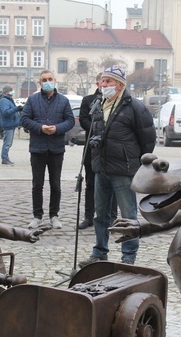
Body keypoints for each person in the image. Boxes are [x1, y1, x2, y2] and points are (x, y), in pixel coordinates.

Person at [78, 65, 156, 266]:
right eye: (103, 81)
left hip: (124, 170)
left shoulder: (135, 107)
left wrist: (139, 163)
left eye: (108, 81)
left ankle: (128, 258)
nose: (104, 85)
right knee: (100, 214)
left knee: (128, 215)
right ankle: (100, 251)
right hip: (101, 168)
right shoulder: (98, 104)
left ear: (120, 85)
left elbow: (148, 138)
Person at [21, 70, 75, 230]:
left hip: (56, 148)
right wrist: (40, 128)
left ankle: (54, 215)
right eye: (44, 80)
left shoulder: (63, 101)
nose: (47, 82)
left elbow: (70, 120)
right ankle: (37, 216)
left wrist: (57, 128)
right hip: (37, 148)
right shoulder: (32, 100)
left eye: (50, 79)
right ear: (40, 83)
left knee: (55, 184)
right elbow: (24, 119)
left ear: (55, 81)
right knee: (37, 184)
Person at [78, 73, 103, 229]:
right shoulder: (88, 100)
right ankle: (89, 216)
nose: (105, 85)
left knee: (110, 186)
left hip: (109, 150)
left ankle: (110, 217)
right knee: (90, 184)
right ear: (97, 83)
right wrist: (98, 129)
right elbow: (83, 120)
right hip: (91, 148)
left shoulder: (116, 102)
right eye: (103, 82)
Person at [0, 85, 22, 166]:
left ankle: (5, 158)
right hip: (8, 124)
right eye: (11, 90)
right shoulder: (4, 100)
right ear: (7, 91)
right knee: (7, 143)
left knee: (8, 143)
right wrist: (16, 109)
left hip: (11, 124)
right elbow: (6, 112)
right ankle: (4, 158)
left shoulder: (7, 99)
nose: (12, 92)